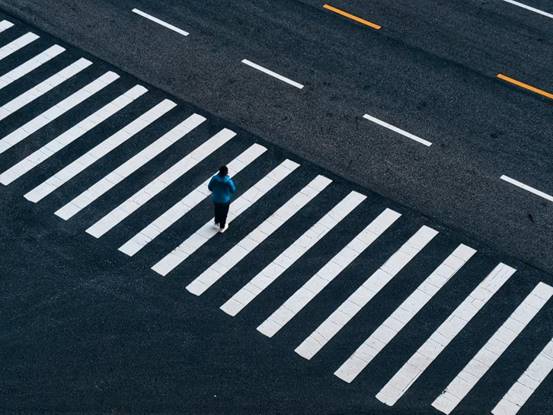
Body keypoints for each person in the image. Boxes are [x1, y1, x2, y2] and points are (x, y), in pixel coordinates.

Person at [208, 165, 237, 233]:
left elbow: (210, 187)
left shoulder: (214, 178)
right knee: (224, 213)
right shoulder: (228, 181)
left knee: (217, 210)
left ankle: (216, 222)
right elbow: (233, 190)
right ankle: (222, 227)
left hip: (215, 198)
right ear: (226, 172)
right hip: (225, 200)